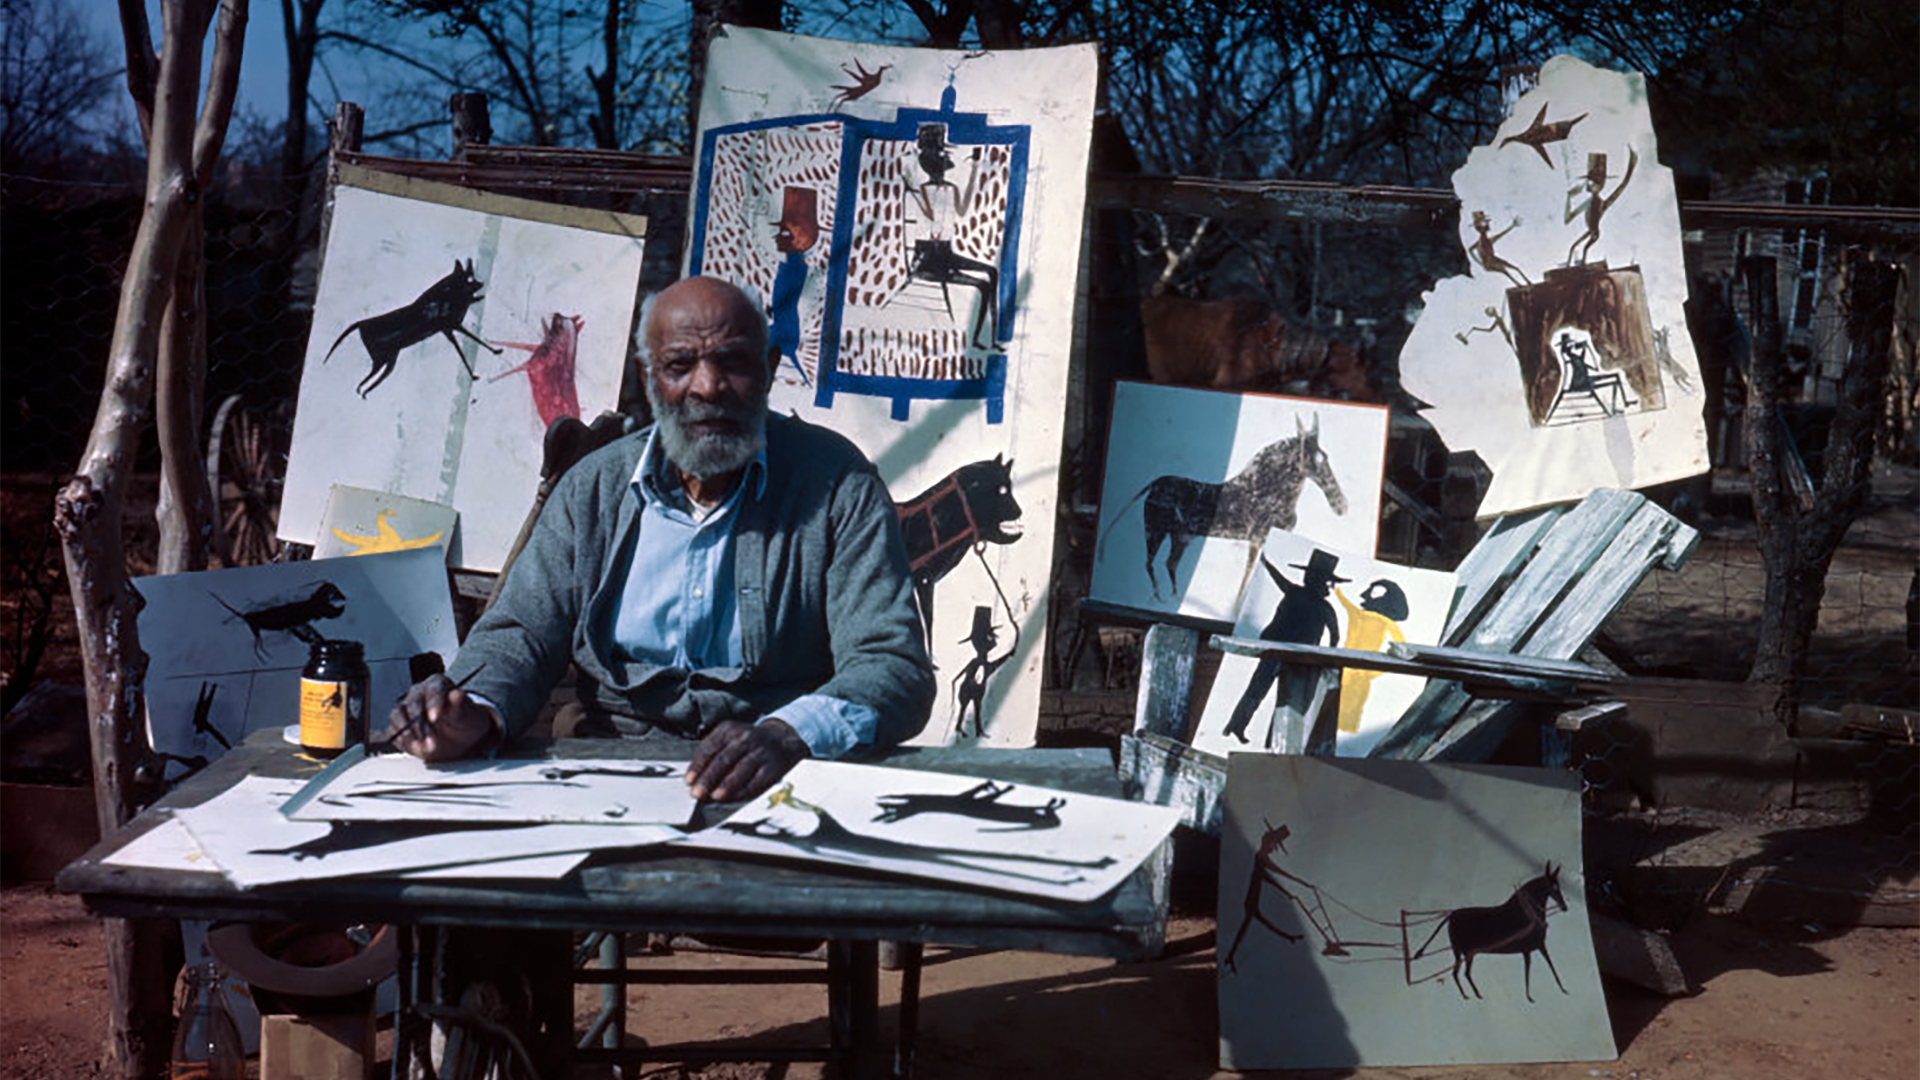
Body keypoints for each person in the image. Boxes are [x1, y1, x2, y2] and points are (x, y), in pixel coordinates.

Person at [380, 276, 934, 801]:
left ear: (768, 370)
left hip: (775, 782)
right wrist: (471, 711)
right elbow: (522, 633)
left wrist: (787, 734)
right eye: (680, 365)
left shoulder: (836, 484)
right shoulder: (594, 489)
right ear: (649, 380)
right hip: (605, 773)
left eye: (733, 363)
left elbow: (891, 665)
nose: (708, 387)